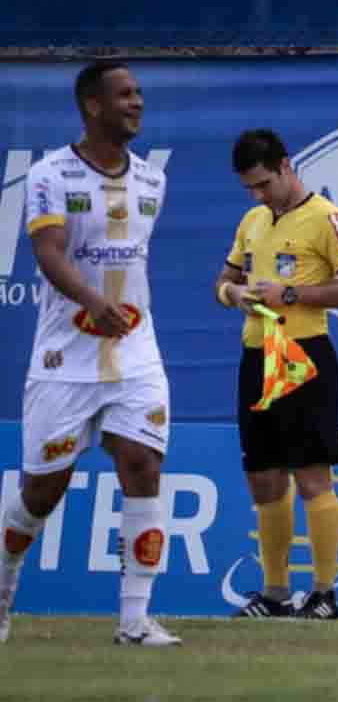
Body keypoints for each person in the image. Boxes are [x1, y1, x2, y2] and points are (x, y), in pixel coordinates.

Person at [0, 60, 180, 646]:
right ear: (92, 105)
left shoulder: (152, 181)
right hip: (65, 358)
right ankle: (3, 584)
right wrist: (91, 301)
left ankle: (135, 620)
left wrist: (117, 311)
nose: (137, 102)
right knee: (41, 493)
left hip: (135, 350)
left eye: (139, 93)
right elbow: (48, 253)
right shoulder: (51, 174)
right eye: (124, 95)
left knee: (143, 465)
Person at [213, 129, 338, 620]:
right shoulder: (252, 221)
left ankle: (325, 594)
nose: (258, 195)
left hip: (303, 356)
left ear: (286, 166)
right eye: (249, 188)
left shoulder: (327, 218)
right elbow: (224, 281)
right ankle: (275, 594)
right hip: (256, 354)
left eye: (263, 184)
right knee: (263, 478)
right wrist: (234, 295)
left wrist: (291, 294)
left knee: (311, 477)